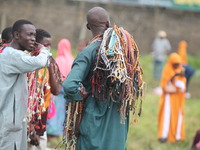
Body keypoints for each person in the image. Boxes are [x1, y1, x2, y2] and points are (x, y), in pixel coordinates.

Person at [62, 7, 144, 150]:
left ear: (88, 27)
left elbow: (69, 85)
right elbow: (136, 85)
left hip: (93, 123)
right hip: (118, 123)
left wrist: (84, 97)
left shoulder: (88, 52)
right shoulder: (125, 52)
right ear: (108, 24)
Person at [0, 19, 50, 150]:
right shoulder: (12, 55)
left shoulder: (7, 52)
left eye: (34, 35)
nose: (33, 39)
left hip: (13, 120)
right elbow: (39, 62)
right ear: (17, 35)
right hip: (8, 121)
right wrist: (44, 49)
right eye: (29, 35)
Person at [27, 29, 62, 150]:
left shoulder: (49, 62)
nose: (48, 48)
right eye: (45, 45)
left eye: (49, 45)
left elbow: (56, 90)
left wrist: (50, 65)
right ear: (36, 44)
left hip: (41, 118)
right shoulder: (28, 62)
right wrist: (30, 127)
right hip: (27, 119)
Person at [46, 39, 74, 144]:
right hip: (67, 91)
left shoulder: (57, 60)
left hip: (56, 91)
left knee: (54, 111)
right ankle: (61, 132)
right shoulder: (72, 60)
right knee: (63, 112)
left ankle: (52, 132)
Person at [158, 53, 186, 143]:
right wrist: (174, 76)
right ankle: (164, 135)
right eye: (175, 64)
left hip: (178, 98)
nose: (177, 65)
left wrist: (180, 78)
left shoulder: (180, 70)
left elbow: (183, 83)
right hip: (168, 97)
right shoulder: (167, 69)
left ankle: (177, 135)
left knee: (178, 115)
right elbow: (164, 84)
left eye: (178, 63)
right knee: (167, 116)